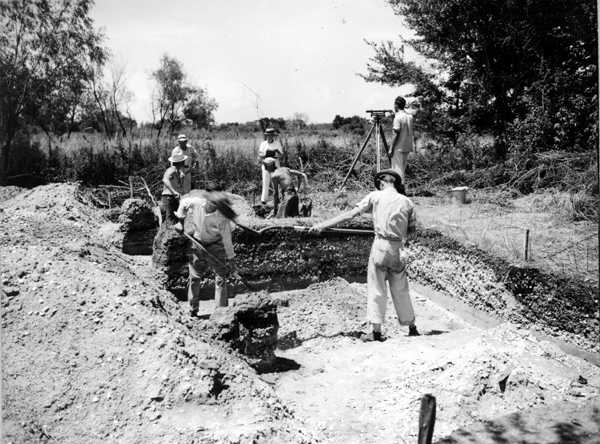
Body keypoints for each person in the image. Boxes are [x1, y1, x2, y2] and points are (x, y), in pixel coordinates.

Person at [310, 169, 419, 341]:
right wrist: (404, 248)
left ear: (382, 183)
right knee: (401, 289)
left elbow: (350, 214)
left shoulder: (375, 196)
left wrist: (323, 225)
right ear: (395, 183)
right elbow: (412, 231)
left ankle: (376, 332)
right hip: (398, 249)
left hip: (381, 246)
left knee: (377, 288)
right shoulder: (407, 202)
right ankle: (412, 327)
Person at [173, 191, 236, 316]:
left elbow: (227, 241)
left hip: (216, 245)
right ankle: (193, 309)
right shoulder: (196, 203)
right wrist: (180, 222)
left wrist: (231, 259)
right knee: (194, 277)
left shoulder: (223, 217)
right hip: (197, 243)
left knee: (220, 278)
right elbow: (183, 203)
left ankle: (221, 312)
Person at [390, 96, 415, 183]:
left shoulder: (398, 118)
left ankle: (399, 189)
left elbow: (395, 134)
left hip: (399, 146)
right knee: (402, 169)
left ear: (396, 105)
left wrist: (391, 148)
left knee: (397, 170)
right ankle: (401, 187)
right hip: (407, 146)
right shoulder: (410, 117)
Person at [161, 147, 187, 225]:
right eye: (183, 161)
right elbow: (165, 180)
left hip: (173, 197)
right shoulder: (171, 170)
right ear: (180, 162)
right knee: (170, 220)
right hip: (169, 197)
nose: (184, 162)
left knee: (176, 218)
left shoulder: (177, 171)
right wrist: (174, 192)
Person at [258, 128, 283, 204]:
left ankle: (278, 199)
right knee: (265, 182)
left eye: (271, 135)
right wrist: (265, 154)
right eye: (268, 135)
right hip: (265, 164)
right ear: (266, 136)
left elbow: (281, 154)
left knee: (276, 182)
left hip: (275, 164)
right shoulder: (263, 144)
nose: (270, 137)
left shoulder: (277, 143)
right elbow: (260, 154)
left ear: (273, 136)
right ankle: (264, 200)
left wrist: (276, 152)